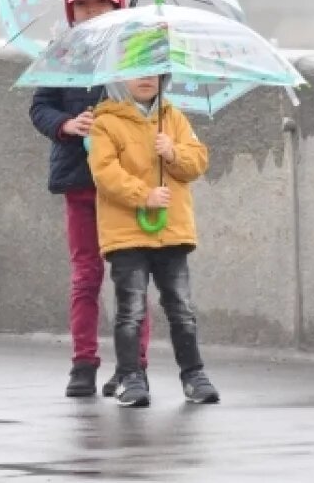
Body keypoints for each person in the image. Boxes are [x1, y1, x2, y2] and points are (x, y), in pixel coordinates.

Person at [28, 0, 153, 398]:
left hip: (122, 185)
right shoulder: (61, 54)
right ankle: (83, 363)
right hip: (80, 182)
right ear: (71, 10)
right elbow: (40, 107)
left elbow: (153, 109)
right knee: (86, 275)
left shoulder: (137, 55)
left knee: (130, 276)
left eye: (102, 2)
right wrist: (68, 124)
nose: (94, 11)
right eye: (84, 4)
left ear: (118, 3)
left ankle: (133, 365)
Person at [87, 75, 219, 408]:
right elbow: (104, 172)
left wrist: (173, 153)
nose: (146, 79)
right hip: (127, 234)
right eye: (137, 71)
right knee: (130, 310)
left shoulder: (173, 117)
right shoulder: (106, 122)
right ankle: (131, 376)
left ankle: (193, 375)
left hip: (171, 232)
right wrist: (143, 195)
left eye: (154, 72)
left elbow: (198, 160)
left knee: (182, 308)